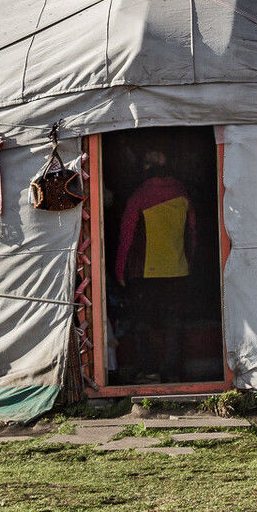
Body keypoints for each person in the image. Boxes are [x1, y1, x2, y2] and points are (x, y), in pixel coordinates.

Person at [113, 149, 197, 382]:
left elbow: (127, 237)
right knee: (174, 324)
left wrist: (120, 269)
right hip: (178, 270)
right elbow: (192, 233)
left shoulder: (138, 196)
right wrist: (190, 262)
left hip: (144, 273)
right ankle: (173, 373)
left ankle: (149, 371)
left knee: (143, 323)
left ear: (145, 169)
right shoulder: (182, 194)